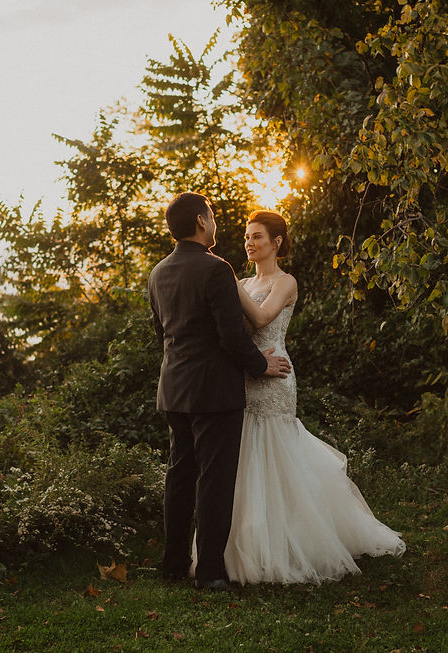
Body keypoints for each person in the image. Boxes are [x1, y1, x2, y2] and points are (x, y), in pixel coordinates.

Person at [225, 210, 406, 585]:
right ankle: (249, 542)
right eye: (247, 236)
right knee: (247, 451)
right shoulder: (242, 281)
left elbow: (261, 319)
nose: (249, 242)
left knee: (274, 448)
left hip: (276, 374)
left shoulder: (285, 281)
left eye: (257, 236)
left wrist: (230, 285)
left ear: (276, 243)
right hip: (248, 373)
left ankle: (292, 543)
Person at [148, 192, 292, 591]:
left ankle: (174, 563)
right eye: (211, 216)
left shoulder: (158, 272)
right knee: (214, 479)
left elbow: (161, 332)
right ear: (200, 220)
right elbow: (231, 336)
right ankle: (210, 570)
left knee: (180, 475)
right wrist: (261, 365)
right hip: (213, 390)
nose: (214, 223)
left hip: (174, 387)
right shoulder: (216, 269)